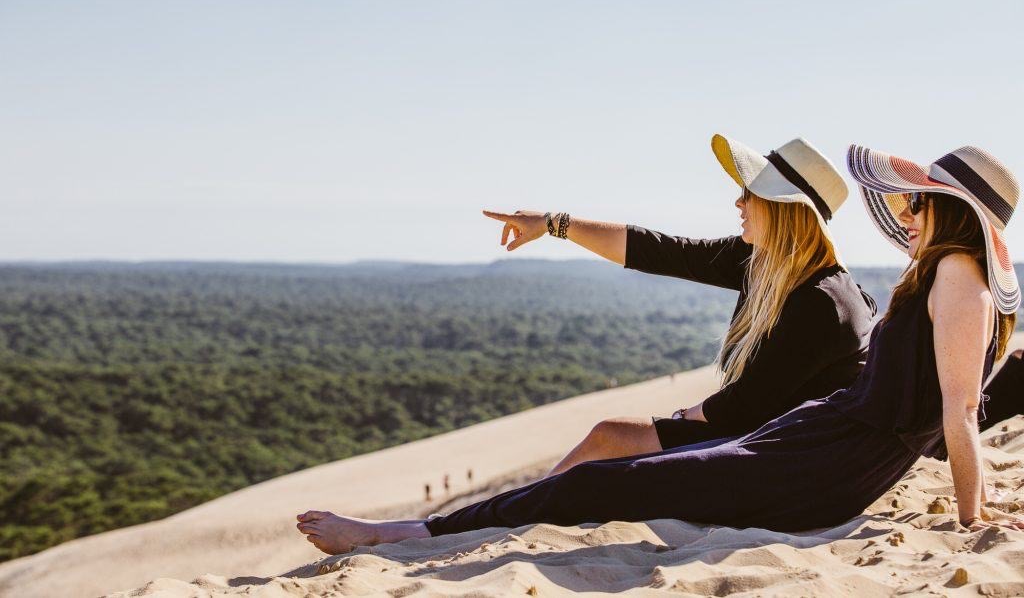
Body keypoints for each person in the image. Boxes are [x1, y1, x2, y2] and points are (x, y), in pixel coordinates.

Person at [296, 143, 1024, 553]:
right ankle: (484, 522)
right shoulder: (783, 267)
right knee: (604, 470)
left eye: (918, 201)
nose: (906, 209)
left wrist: (973, 521)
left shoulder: (912, 287)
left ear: (951, 210)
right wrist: (554, 223)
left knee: (597, 478)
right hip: (806, 446)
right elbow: (656, 249)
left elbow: (959, 410)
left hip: (812, 461)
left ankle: (407, 533)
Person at [496, 134, 877, 476]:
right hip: (761, 439)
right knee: (610, 440)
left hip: (788, 459)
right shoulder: (763, 263)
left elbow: (745, 406)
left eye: (750, 194)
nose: (739, 202)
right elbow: (660, 251)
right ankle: (513, 510)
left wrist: (681, 417)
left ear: (784, 209)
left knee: (610, 438)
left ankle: (507, 514)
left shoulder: (824, 302)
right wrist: (553, 223)